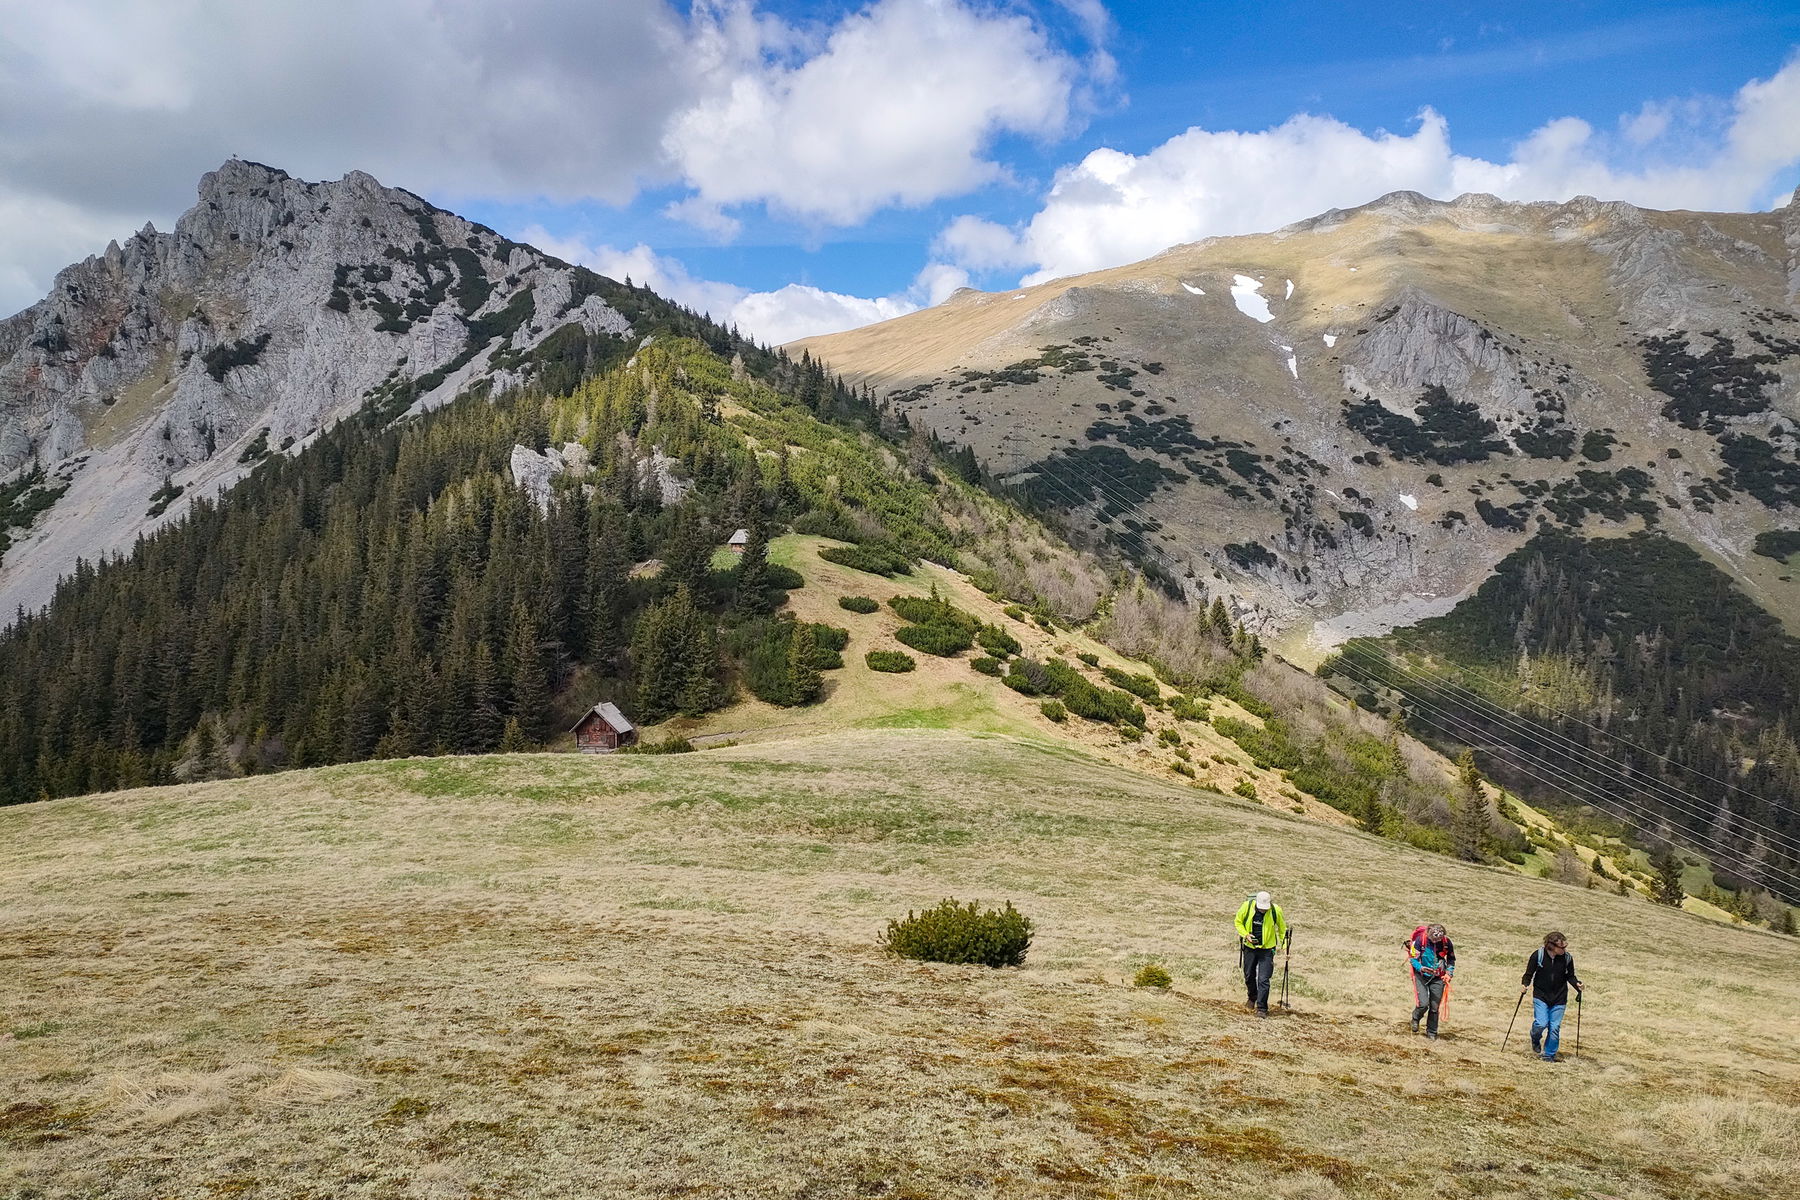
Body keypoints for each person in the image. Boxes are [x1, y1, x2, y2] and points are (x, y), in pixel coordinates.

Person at [1520, 931, 1583, 1061]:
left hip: (1559, 998)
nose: (1565, 949)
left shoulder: (1567, 958)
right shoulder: (1538, 955)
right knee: (1541, 1023)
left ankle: (1549, 1055)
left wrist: (1577, 985)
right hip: (1541, 995)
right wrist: (1525, 985)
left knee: (1554, 1027)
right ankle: (1535, 1037)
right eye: (1562, 947)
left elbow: (1570, 976)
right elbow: (1528, 974)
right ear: (1551, 946)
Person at [1234, 890, 1288, 1018]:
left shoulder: (1276, 911)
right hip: (1249, 947)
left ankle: (1262, 1008)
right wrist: (1246, 935)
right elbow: (1238, 922)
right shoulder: (1246, 907)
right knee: (1249, 975)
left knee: (1264, 979)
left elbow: (1282, 929)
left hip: (1267, 950)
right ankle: (1252, 997)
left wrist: (1285, 947)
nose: (1263, 910)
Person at [1405, 922, 1456, 1040]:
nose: (1435, 942)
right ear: (1427, 934)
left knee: (1434, 1007)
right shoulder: (1419, 941)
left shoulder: (1446, 943)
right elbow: (1413, 959)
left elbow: (1451, 959)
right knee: (1423, 1004)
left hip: (1438, 978)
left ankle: (1431, 1033)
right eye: (1433, 939)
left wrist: (1449, 973)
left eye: (1438, 940)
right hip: (1421, 976)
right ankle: (1416, 1018)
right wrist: (1421, 968)